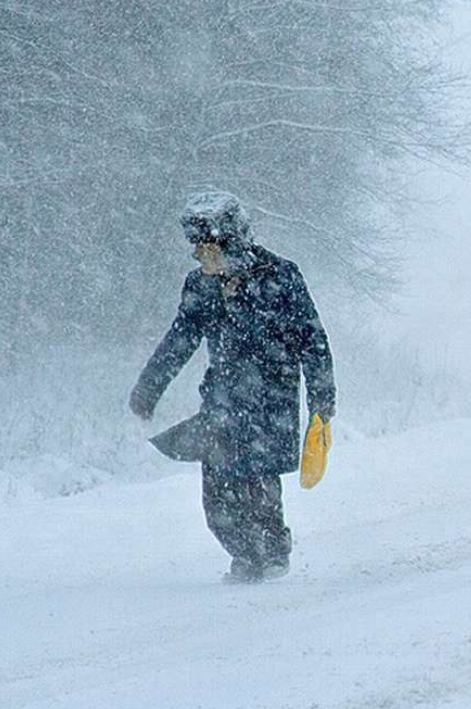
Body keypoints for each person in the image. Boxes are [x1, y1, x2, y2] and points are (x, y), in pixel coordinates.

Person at [130, 191, 335, 583]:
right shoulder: (200, 286)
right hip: (221, 403)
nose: (199, 256)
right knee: (217, 497)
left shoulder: (282, 277)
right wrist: (149, 387)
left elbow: (314, 341)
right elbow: (180, 339)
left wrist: (321, 402)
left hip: (270, 403)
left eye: (207, 247)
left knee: (257, 485)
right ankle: (244, 555)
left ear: (232, 241)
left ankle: (272, 554)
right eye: (196, 248)